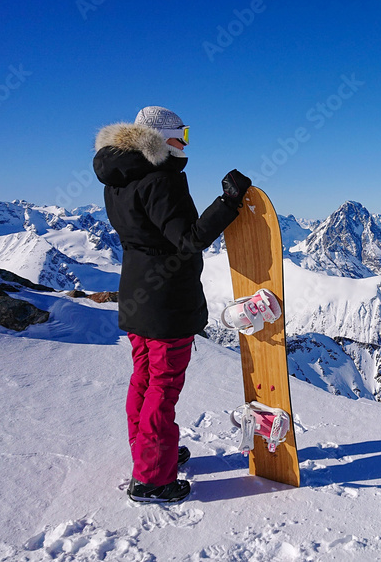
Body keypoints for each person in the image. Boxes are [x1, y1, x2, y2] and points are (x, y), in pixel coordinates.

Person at [93, 106, 251, 502]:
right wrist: (228, 203)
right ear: (162, 139)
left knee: (144, 381)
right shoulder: (162, 180)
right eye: (182, 134)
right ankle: (152, 478)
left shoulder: (118, 177)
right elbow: (190, 239)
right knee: (162, 387)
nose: (185, 143)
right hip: (166, 300)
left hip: (136, 294)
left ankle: (152, 454)